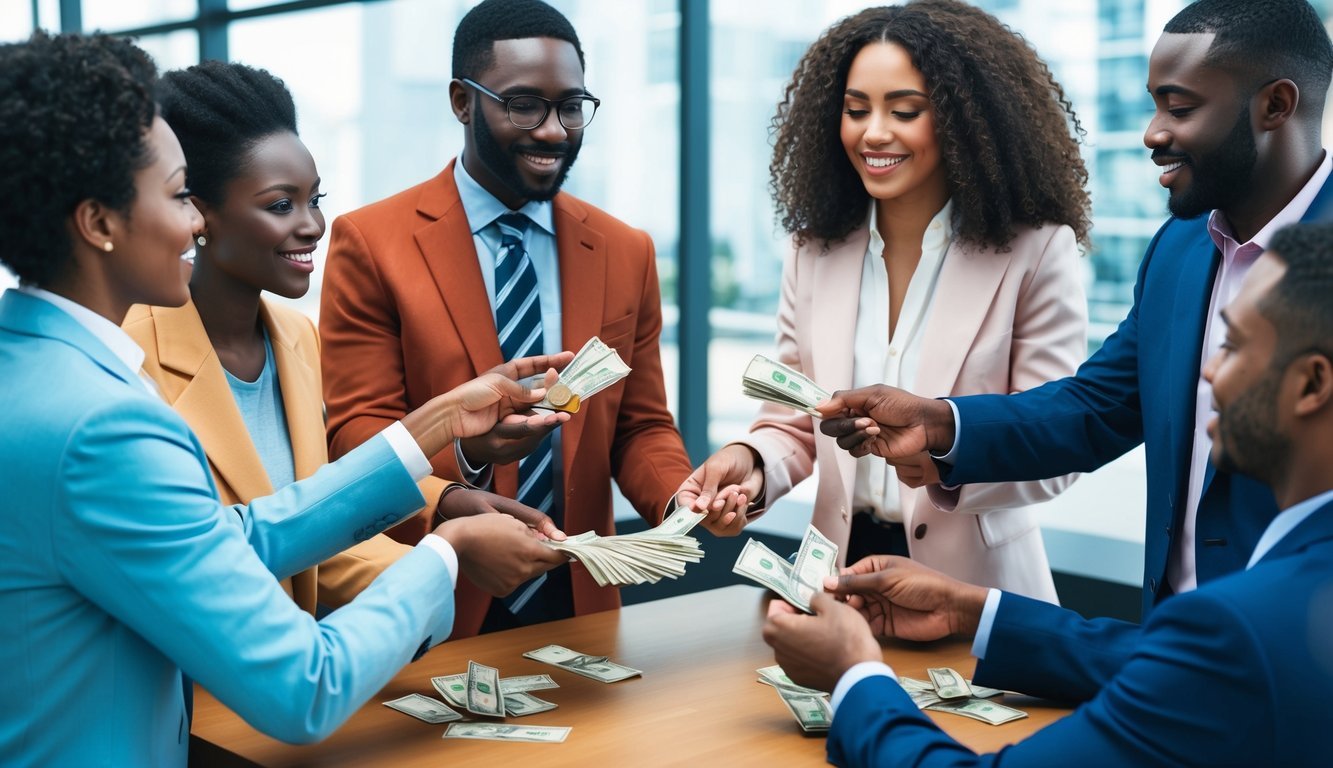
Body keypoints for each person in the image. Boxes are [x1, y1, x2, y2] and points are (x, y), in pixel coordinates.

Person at [0, 32, 567, 765]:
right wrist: (444, 555)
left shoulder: (34, 369)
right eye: (178, 197)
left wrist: (426, 430)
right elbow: (305, 688)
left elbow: (228, 538)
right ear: (98, 223)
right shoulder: (107, 425)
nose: (196, 223)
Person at [820, 0, 1332, 631]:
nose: (1152, 133)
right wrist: (940, 423)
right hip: (1171, 647)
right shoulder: (1178, 251)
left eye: (1179, 107)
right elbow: (1095, 409)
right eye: (1154, 105)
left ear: (1275, 106)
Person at [763, 220, 1333, 767]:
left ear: (1311, 384)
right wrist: (971, 610)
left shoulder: (1244, 627)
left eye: (1230, 346)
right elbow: (1188, 668)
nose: (1202, 374)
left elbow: (1212, 665)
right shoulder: (1283, 609)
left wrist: (857, 674)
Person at [676, 0, 1090, 601]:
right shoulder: (812, 251)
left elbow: (1058, 443)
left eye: (904, 111)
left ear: (965, 121)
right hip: (836, 577)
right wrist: (751, 464)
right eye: (855, 110)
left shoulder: (1037, 251)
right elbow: (797, 416)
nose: (873, 132)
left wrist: (945, 458)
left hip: (975, 591)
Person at [126, 61, 561, 614]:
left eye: (315, 199)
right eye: (281, 204)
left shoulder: (296, 339)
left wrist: (450, 531)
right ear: (198, 213)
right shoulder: (130, 357)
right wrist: (446, 555)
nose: (312, 224)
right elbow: (205, 562)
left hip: (298, 681)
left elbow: (316, 543)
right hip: (194, 690)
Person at [319, 0, 693, 635]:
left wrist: (682, 498)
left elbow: (640, 425)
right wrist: (460, 487)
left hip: (580, 604)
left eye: (571, 106)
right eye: (524, 104)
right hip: (432, 597)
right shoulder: (373, 243)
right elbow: (356, 436)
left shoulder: (626, 250)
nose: (553, 130)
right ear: (463, 102)